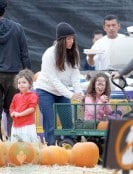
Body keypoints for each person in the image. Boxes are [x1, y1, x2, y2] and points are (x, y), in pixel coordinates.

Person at [35, 22, 84, 145]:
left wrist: (79, 93)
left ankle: (69, 146)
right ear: (61, 40)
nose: (71, 41)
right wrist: (70, 95)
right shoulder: (49, 54)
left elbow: (75, 76)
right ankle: (51, 149)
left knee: (67, 121)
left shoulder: (74, 52)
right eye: (68, 38)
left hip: (63, 92)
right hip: (45, 90)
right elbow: (53, 80)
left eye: (73, 38)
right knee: (50, 124)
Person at [0, 0, 31, 140]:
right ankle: (14, 143)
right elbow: (25, 54)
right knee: (13, 110)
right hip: (14, 77)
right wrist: (28, 77)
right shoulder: (17, 28)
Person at [10, 69, 38, 143]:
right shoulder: (16, 96)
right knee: (16, 146)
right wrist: (12, 113)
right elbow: (12, 107)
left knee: (28, 145)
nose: (21, 84)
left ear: (30, 83)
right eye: (19, 83)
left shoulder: (33, 96)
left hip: (27, 125)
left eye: (24, 82)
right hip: (16, 125)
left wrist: (19, 114)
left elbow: (31, 109)